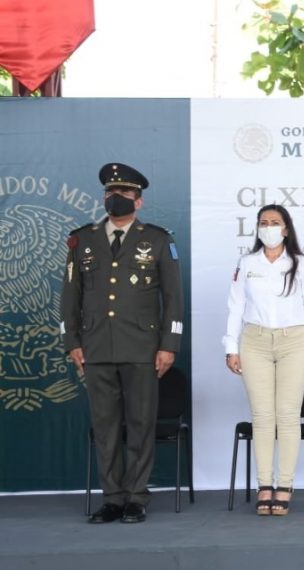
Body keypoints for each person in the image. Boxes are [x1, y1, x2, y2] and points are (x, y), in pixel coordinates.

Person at [60, 162, 184, 524]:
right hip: (96, 347)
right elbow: (70, 296)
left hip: (143, 347)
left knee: (141, 423)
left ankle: (136, 497)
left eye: (124, 195)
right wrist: (72, 342)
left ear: (138, 202)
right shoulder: (82, 239)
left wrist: (169, 344)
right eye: (111, 194)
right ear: (104, 198)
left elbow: (173, 297)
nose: (116, 199)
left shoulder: (158, 239)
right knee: (105, 426)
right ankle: (112, 497)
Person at [223, 204, 304, 516]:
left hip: (294, 341)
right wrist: (231, 347)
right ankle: (264, 485)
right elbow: (236, 306)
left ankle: (285, 485)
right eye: (263, 222)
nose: (268, 227)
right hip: (254, 341)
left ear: (285, 229)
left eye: (274, 222)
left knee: (287, 414)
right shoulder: (247, 262)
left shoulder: (300, 263)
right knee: (263, 415)